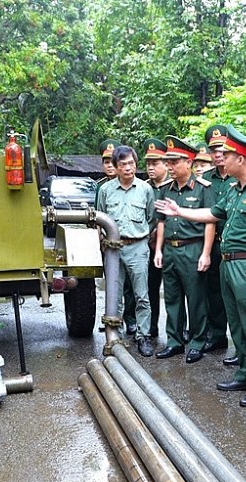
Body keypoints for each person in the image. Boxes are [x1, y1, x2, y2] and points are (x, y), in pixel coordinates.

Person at [156, 126, 246, 407]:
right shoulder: (235, 190)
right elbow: (212, 214)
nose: (221, 158)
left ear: (243, 159)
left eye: (228, 154)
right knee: (237, 325)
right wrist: (179, 211)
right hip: (228, 264)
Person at [154, 136, 215, 363]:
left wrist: (206, 253)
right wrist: (159, 250)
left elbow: (210, 221)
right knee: (172, 299)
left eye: (174, 162)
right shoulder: (166, 189)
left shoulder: (202, 189)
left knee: (196, 298)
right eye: (168, 162)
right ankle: (174, 341)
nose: (169, 167)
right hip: (170, 249)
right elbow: (161, 221)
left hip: (193, 248)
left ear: (188, 162)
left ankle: (198, 342)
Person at [95, 145, 156, 356]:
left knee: (142, 295)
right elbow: (99, 219)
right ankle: (116, 337)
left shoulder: (145, 189)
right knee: (115, 295)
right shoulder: (105, 190)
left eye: (131, 163)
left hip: (138, 246)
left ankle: (143, 336)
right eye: (123, 165)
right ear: (116, 167)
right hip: (113, 250)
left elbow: (151, 217)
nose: (128, 168)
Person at [200, 125, 232, 357]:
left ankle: (242, 344)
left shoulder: (238, 176)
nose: (218, 154)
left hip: (236, 244)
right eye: (213, 149)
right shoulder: (205, 180)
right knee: (213, 292)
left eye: (221, 149)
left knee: (237, 295)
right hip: (212, 242)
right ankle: (217, 335)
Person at [144, 137, 170, 338]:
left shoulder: (173, 186)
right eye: (148, 164)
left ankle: (179, 330)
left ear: (166, 165)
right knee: (150, 288)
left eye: (156, 163)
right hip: (148, 247)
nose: (151, 168)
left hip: (172, 246)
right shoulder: (144, 188)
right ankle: (151, 326)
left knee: (174, 292)